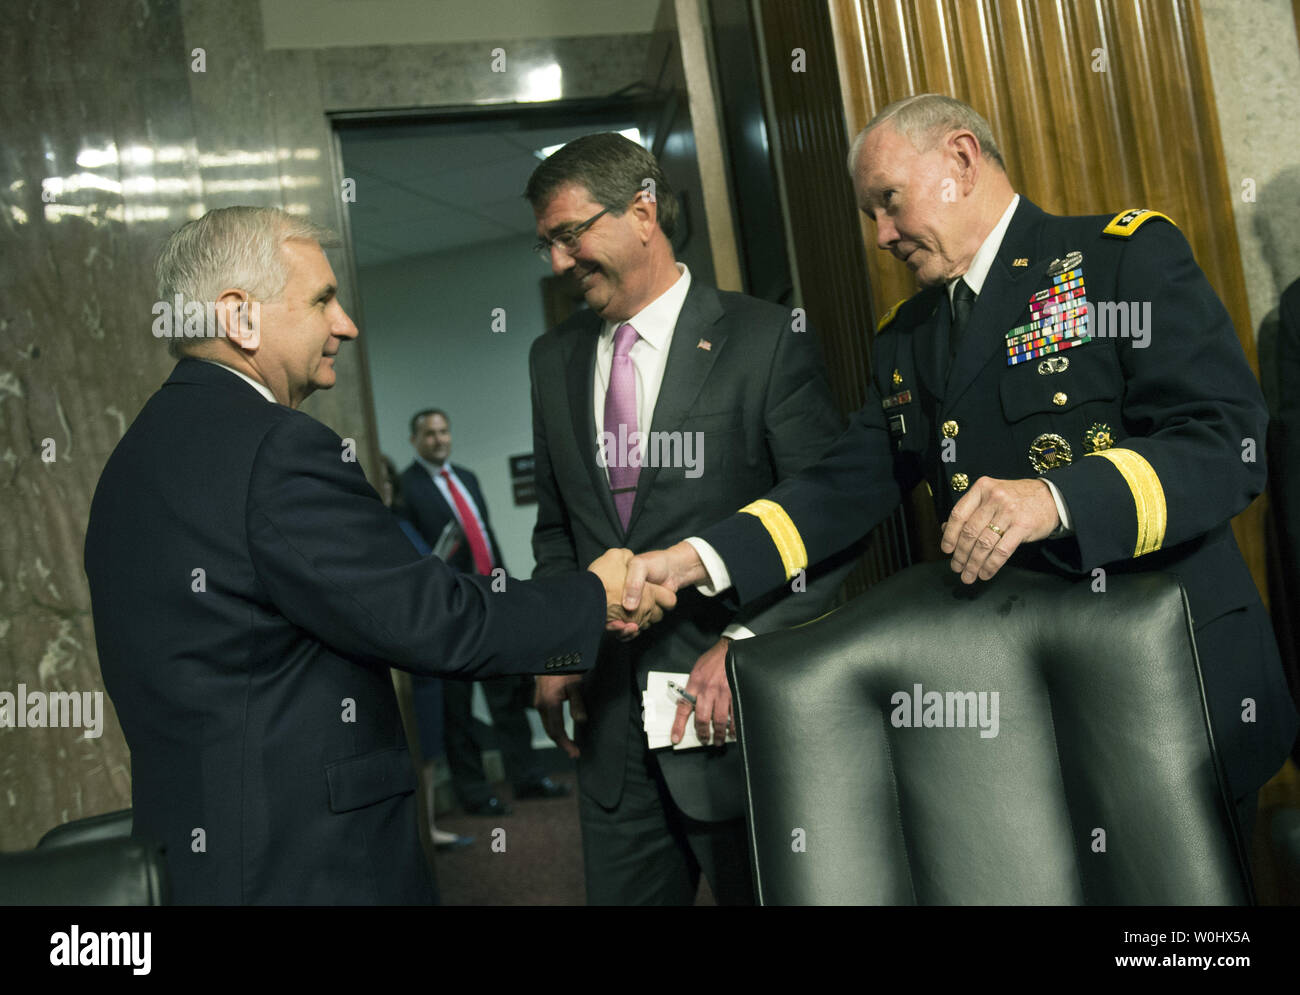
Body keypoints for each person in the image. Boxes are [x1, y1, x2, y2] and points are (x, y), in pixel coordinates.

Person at [622, 94, 1299, 841]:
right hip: (1032, 703)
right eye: (869, 214)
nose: (881, 235)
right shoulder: (908, 338)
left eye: (889, 201)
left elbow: (1226, 441)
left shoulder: (1120, 257)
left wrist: (1056, 498)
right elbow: (841, 485)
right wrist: (695, 559)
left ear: (962, 159)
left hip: (1171, 680)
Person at [83, 206, 670, 904]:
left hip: (201, 858)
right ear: (240, 316)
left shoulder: (129, 462)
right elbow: (431, 616)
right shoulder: (277, 447)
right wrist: (591, 598)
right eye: (322, 300)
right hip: (310, 864)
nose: (346, 325)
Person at [526, 133, 853, 904]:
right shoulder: (550, 359)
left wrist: (746, 643)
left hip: (736, 727)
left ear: (643, 212)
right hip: (609, 736)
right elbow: (556, 530)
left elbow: (829, 519)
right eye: (546, 244)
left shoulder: (767, 339)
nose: (558, 264)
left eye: (570, 236)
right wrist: (554, 641)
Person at [401, 409, 569, 816]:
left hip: (491, 603)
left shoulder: (467, 478)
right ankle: (475, 794)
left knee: (508, 697)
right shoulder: (407, 488)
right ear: (415, 441)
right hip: (449, 612)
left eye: (444, 431)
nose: (439, 440)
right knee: (457, 710)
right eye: (430, 434)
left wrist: (507, 590)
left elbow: (487, 539)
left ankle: (527, 778)